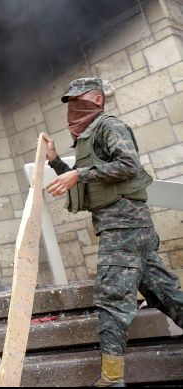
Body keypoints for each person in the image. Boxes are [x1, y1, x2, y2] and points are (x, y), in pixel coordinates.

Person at [43, 77, 183, 387]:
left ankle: (111, 379)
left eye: (78, 100)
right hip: (128, 227)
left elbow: (129, 165)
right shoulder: (90, 135)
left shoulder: (110, 126)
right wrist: (55, 161)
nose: (72, 108)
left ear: (96, 99)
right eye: (69, 101)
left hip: (124, 226)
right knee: (164, 292)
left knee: (111, 297)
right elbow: (85, 180)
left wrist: (79, 172)